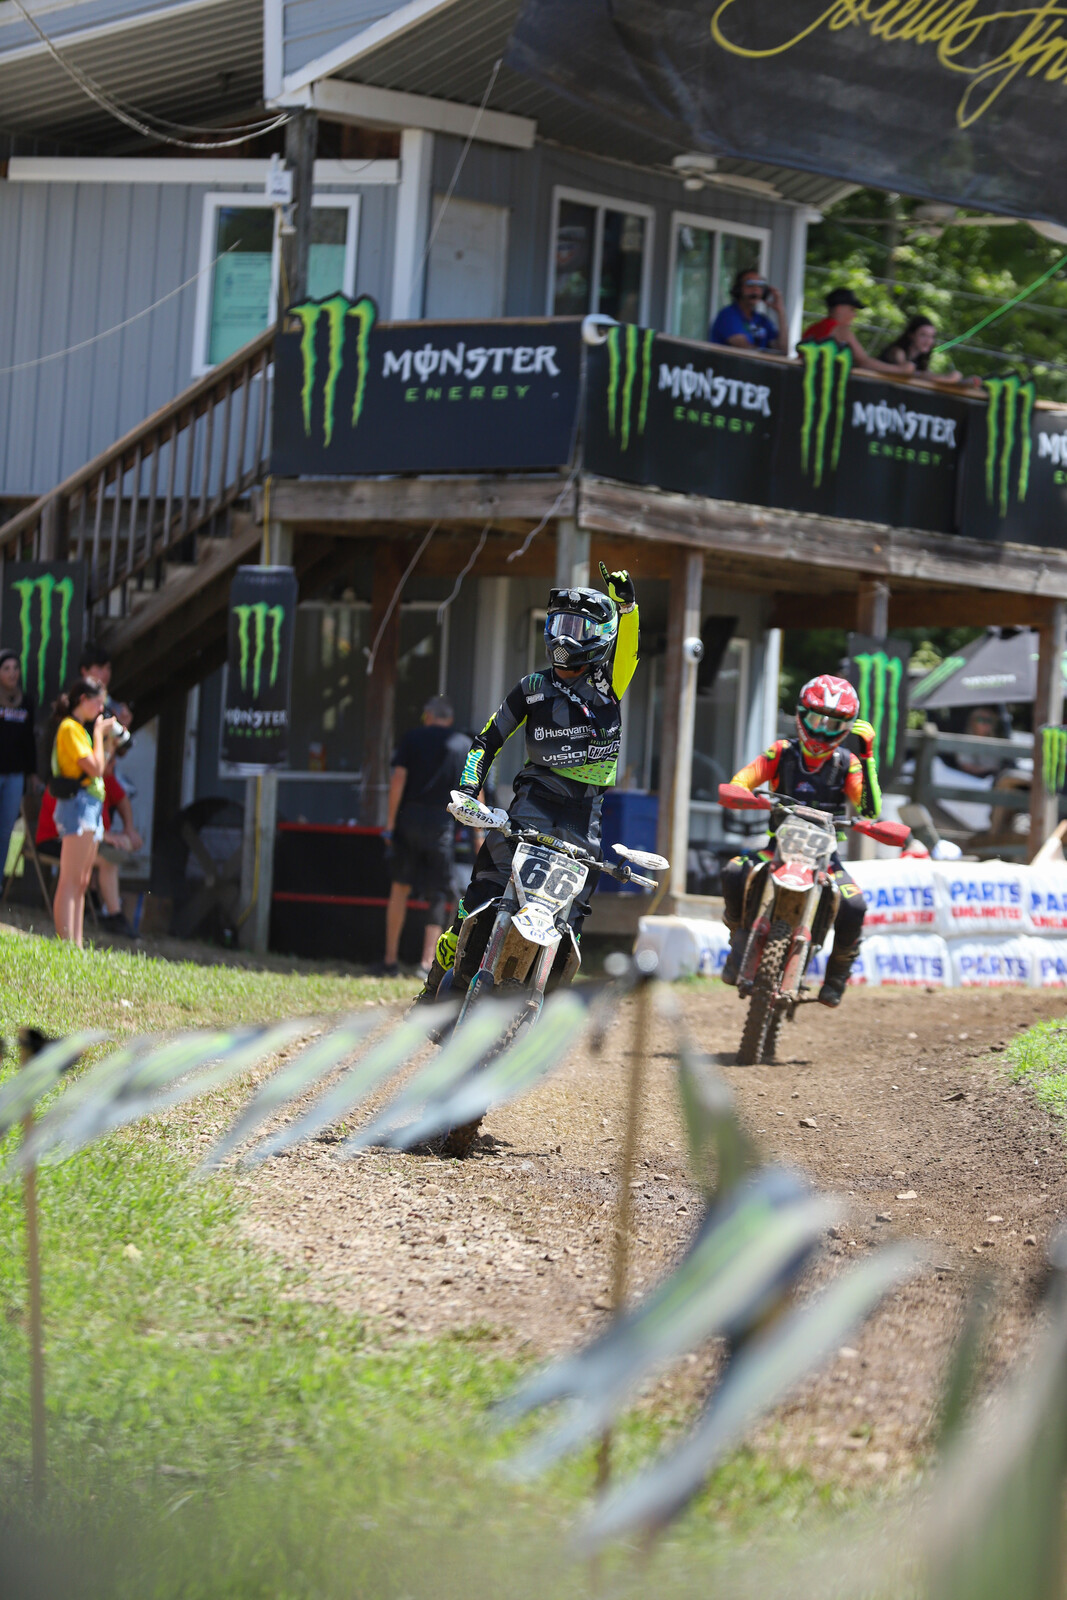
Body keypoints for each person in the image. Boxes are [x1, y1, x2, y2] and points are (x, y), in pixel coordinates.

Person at [418, 564, 640, 1002]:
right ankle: (432, 990)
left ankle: (544, 1010)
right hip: (530, 805)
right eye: (558, 624)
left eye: (577, 627)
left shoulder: (611, 684)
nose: (564, 637)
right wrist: (466, 791)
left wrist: (628, 608)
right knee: (476, 900)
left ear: (601, 636)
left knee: (572, 918)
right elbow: (486, 741)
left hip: (584, 818)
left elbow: (630, 648)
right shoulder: (531, 686)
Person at [721, 674, 882, 1007]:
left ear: (847, 727)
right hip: (775, 850)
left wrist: (867, 756)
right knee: (734, 871)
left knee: (855, 905)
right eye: (815, 719)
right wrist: (749, 796)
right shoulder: (781, 752)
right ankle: (738, 937)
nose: (822, 730)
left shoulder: (848, 763)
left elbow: (869, 809)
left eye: (833, 724)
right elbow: (741, 781)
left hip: (825, 860)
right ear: (800, 714)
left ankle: (837, 976)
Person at [379, 696, 471, 979]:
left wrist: (391, 824)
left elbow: (398, 780)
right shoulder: (463, 744)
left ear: (427, 716)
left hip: (409, 819)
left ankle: (390, 960)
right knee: (438, 894)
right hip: (442, 824)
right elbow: (471, 791)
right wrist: (477, 833)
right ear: (450, 719)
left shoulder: (412, 738)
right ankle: (426, 962)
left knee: (400, 888)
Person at [47, 676, 123, 947]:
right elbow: (94, 768)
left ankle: (76, 944)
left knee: (82, 880)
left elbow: (100, 765)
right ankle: (65, 943)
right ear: (83, 700)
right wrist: (100, 735)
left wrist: (108, 739)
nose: (101, 710)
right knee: (69, 878)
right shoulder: (70, 728)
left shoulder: (83, 730)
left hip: (90, 804)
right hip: (76, 805)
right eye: (98, 703)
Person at [37, 763, 143, 937]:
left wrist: (127, 830)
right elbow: (74, 825)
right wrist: (104, 835)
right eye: (107, 757)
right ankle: (109, 916)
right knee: (94, 867)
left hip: (87, 836)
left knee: (93, 870)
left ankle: (83, 931)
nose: (112, 763)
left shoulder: (101, 780)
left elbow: (120, 799)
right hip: (57, 839)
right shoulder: (73, 781)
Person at [801, 289, 914, 376]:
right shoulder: (841, 330)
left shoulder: (811, 329)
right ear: (839, 308)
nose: (854, 315)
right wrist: (900, 370)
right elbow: (864, 362)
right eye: (852, 310)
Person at [0, 648, 38, 887]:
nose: (13, 673)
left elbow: (29, 741)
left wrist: (31, 773)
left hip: (15, 776)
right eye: (6, 669)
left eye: (16, 668)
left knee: (6, 831)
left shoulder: (26, 702)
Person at [709, 269, 789, 354]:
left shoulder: (761, 320)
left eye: (760, 285)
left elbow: (783, 350)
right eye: (750, 284)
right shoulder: (728, 315)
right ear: (738, 289)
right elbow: (745, 349)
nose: (755, 289)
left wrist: (780, 311)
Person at [880, 315, 974, 386]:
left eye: (932, 336)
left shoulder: (921, 359)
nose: (928, 341)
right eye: (923, 335)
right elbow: (908, 373)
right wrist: (947, 378)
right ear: (911, 335)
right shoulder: (897, 352)